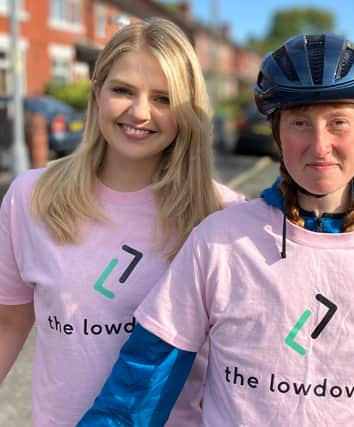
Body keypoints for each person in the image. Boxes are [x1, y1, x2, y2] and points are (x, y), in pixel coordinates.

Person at [79, 32, 354, 426]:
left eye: (338, 122)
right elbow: (139, 387)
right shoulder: (220, 240)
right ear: (277, 134)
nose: (320, 145)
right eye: (300, 123)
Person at [0, 18, 244, 427]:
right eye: (123, 90)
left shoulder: (223, 214)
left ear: (188, 110)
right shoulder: (31, 197)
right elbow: (8, 324)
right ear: (97, 91)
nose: (140, 112)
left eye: (164, 99)